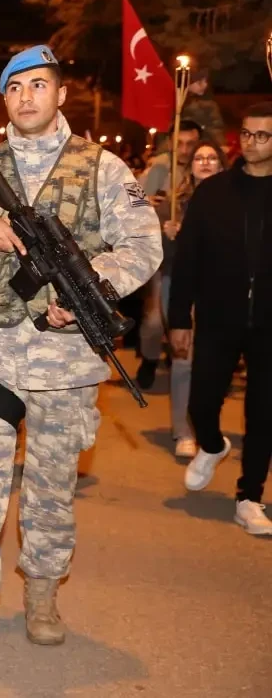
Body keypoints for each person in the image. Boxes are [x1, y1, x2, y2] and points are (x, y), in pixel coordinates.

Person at [0, 45, 161, 668]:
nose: (27, 96)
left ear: (60, 94)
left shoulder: (102, 167)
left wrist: (89, 292)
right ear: (6, 100)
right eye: (16, 87)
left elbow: (144, 245)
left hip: (65, 361)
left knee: (51, 486)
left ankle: (43, 594)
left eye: (39, 85)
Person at [169, 103, 272, 536]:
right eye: (246, 134)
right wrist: (179, 318)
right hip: (218, 315)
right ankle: (211, 445)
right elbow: (188, 259)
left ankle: (249, 497)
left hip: (269, 322)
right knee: (201, 403)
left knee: (263, 413)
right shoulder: (214, 193)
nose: (251, 142)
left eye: (262, 135)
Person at [156, 141, 225, 458]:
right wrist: (168, 236)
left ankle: (205, 426)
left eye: (212, 158)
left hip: (221, 289)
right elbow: (159, 256)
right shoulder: (173, 203)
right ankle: (183, 431)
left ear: (222, 164)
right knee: (182, 360)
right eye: (200, 158)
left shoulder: (233, 202)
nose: (206, 163)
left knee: (212, 362)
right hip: (180, 286)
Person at [137, 120, 202, 390]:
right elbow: (131, 196)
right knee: (154, 319)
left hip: (196, 258)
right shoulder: (159, 168)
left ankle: (182, 362)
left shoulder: (205, 166)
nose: (186, 150)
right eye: (180, 143)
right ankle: (150, 358)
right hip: (162, 255)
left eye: (191, 143)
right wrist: (144, 203)